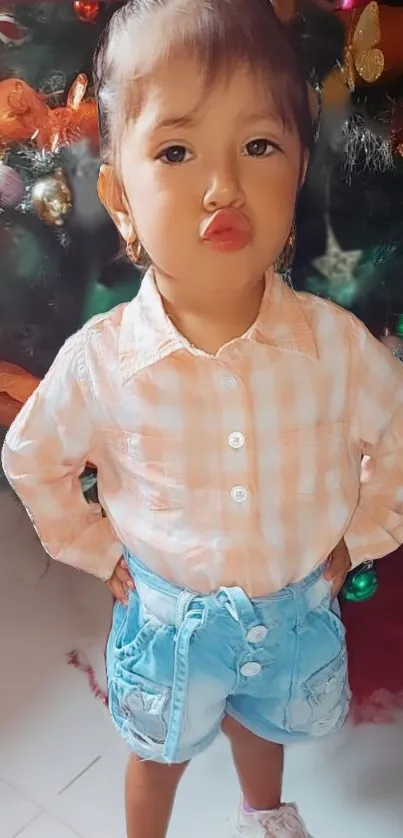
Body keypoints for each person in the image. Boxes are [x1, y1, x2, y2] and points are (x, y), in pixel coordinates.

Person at [3, 1, 403, 835]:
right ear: (119, 193)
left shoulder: (335, 349)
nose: (222, 185)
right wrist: (93, 545)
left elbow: (397, 434)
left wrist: (360, 535)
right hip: (164, 625)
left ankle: (264, 814)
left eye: (258, 146)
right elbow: (32, 457)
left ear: (295, 171)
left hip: (293, 611)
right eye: (176, 151)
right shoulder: (102, 360)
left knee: (266, 729)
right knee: (156, 753)